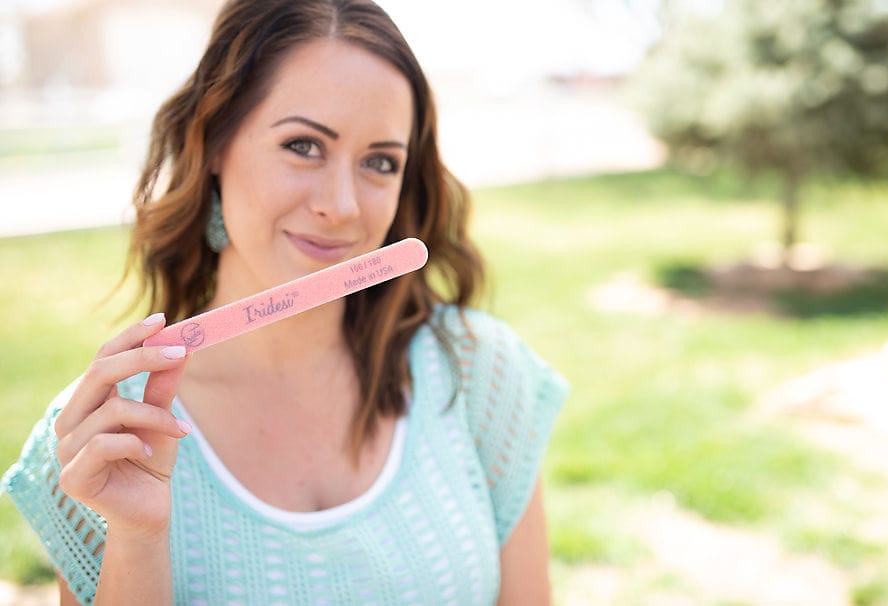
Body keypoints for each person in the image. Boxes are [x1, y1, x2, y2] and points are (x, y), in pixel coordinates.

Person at [0, 0, 568, 604]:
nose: (343, 205)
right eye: (303, 146)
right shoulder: (109, 439)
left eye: (380, 162)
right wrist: (138, 537)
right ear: (214, 142)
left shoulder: (477, 368)